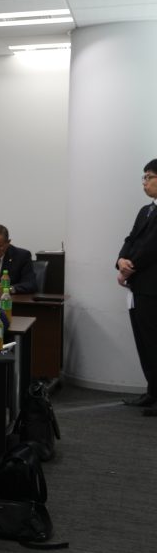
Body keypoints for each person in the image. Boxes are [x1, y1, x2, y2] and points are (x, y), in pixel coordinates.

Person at [118, 159, 157, 410]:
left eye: (149, 177)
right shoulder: (146, 210)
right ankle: (152, 391)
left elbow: (152, 246)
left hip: (153, 287)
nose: (144, 183)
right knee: (144, 342)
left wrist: (129, 266)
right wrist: (120, 260)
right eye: (144, 177)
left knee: (154, 341)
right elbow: (131, 238)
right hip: (139, 286)